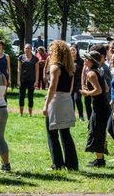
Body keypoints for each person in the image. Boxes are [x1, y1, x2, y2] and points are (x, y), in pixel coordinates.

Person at [43, 40, 78, 171]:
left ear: (57, 52)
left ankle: (57, 164)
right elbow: (70, 88)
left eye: (52, 51)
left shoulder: (55, 67)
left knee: (52, 133)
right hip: (66, 100)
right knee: (65, 133)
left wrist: (46, 105)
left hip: (56, 100)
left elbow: (52, 87)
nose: (50, 53)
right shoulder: (70, 68)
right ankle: (72, 164)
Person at [80, 51, 110, 167]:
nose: (84, 60)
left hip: (100, 107)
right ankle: (99, 159)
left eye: (87, 59)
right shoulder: (99, 71)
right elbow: (106, 88)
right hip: (103, 105)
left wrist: (86, 93)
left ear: (92, 61)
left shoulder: (91, 74)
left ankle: (100, 161)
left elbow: (99, 90)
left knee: (97, 132)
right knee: (98, 131)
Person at [17, 43, 38, 117]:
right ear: (24, 49)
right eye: (26, 48)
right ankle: (21, 113)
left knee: (30, 96)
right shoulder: (20, 57)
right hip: (22, 80)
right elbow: (19, 69)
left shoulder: (35, 59)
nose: (27, 50)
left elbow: (36, 70)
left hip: (31, 80)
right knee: (21, 96)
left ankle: (30, 113)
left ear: (31, 49)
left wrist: (36, 81)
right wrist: (18, 80)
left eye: (28, 48)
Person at [70, 45, 85, 121]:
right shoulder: (67, 61)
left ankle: (81, 116)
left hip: (78, 82)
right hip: (69, 83)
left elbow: (83, 73)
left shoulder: (81, 61)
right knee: (71, 99)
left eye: (73, 50)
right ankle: (72, 116)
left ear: (76, 51)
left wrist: (83, 84)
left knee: (77, 98)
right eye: (71, 50)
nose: (72, 51)